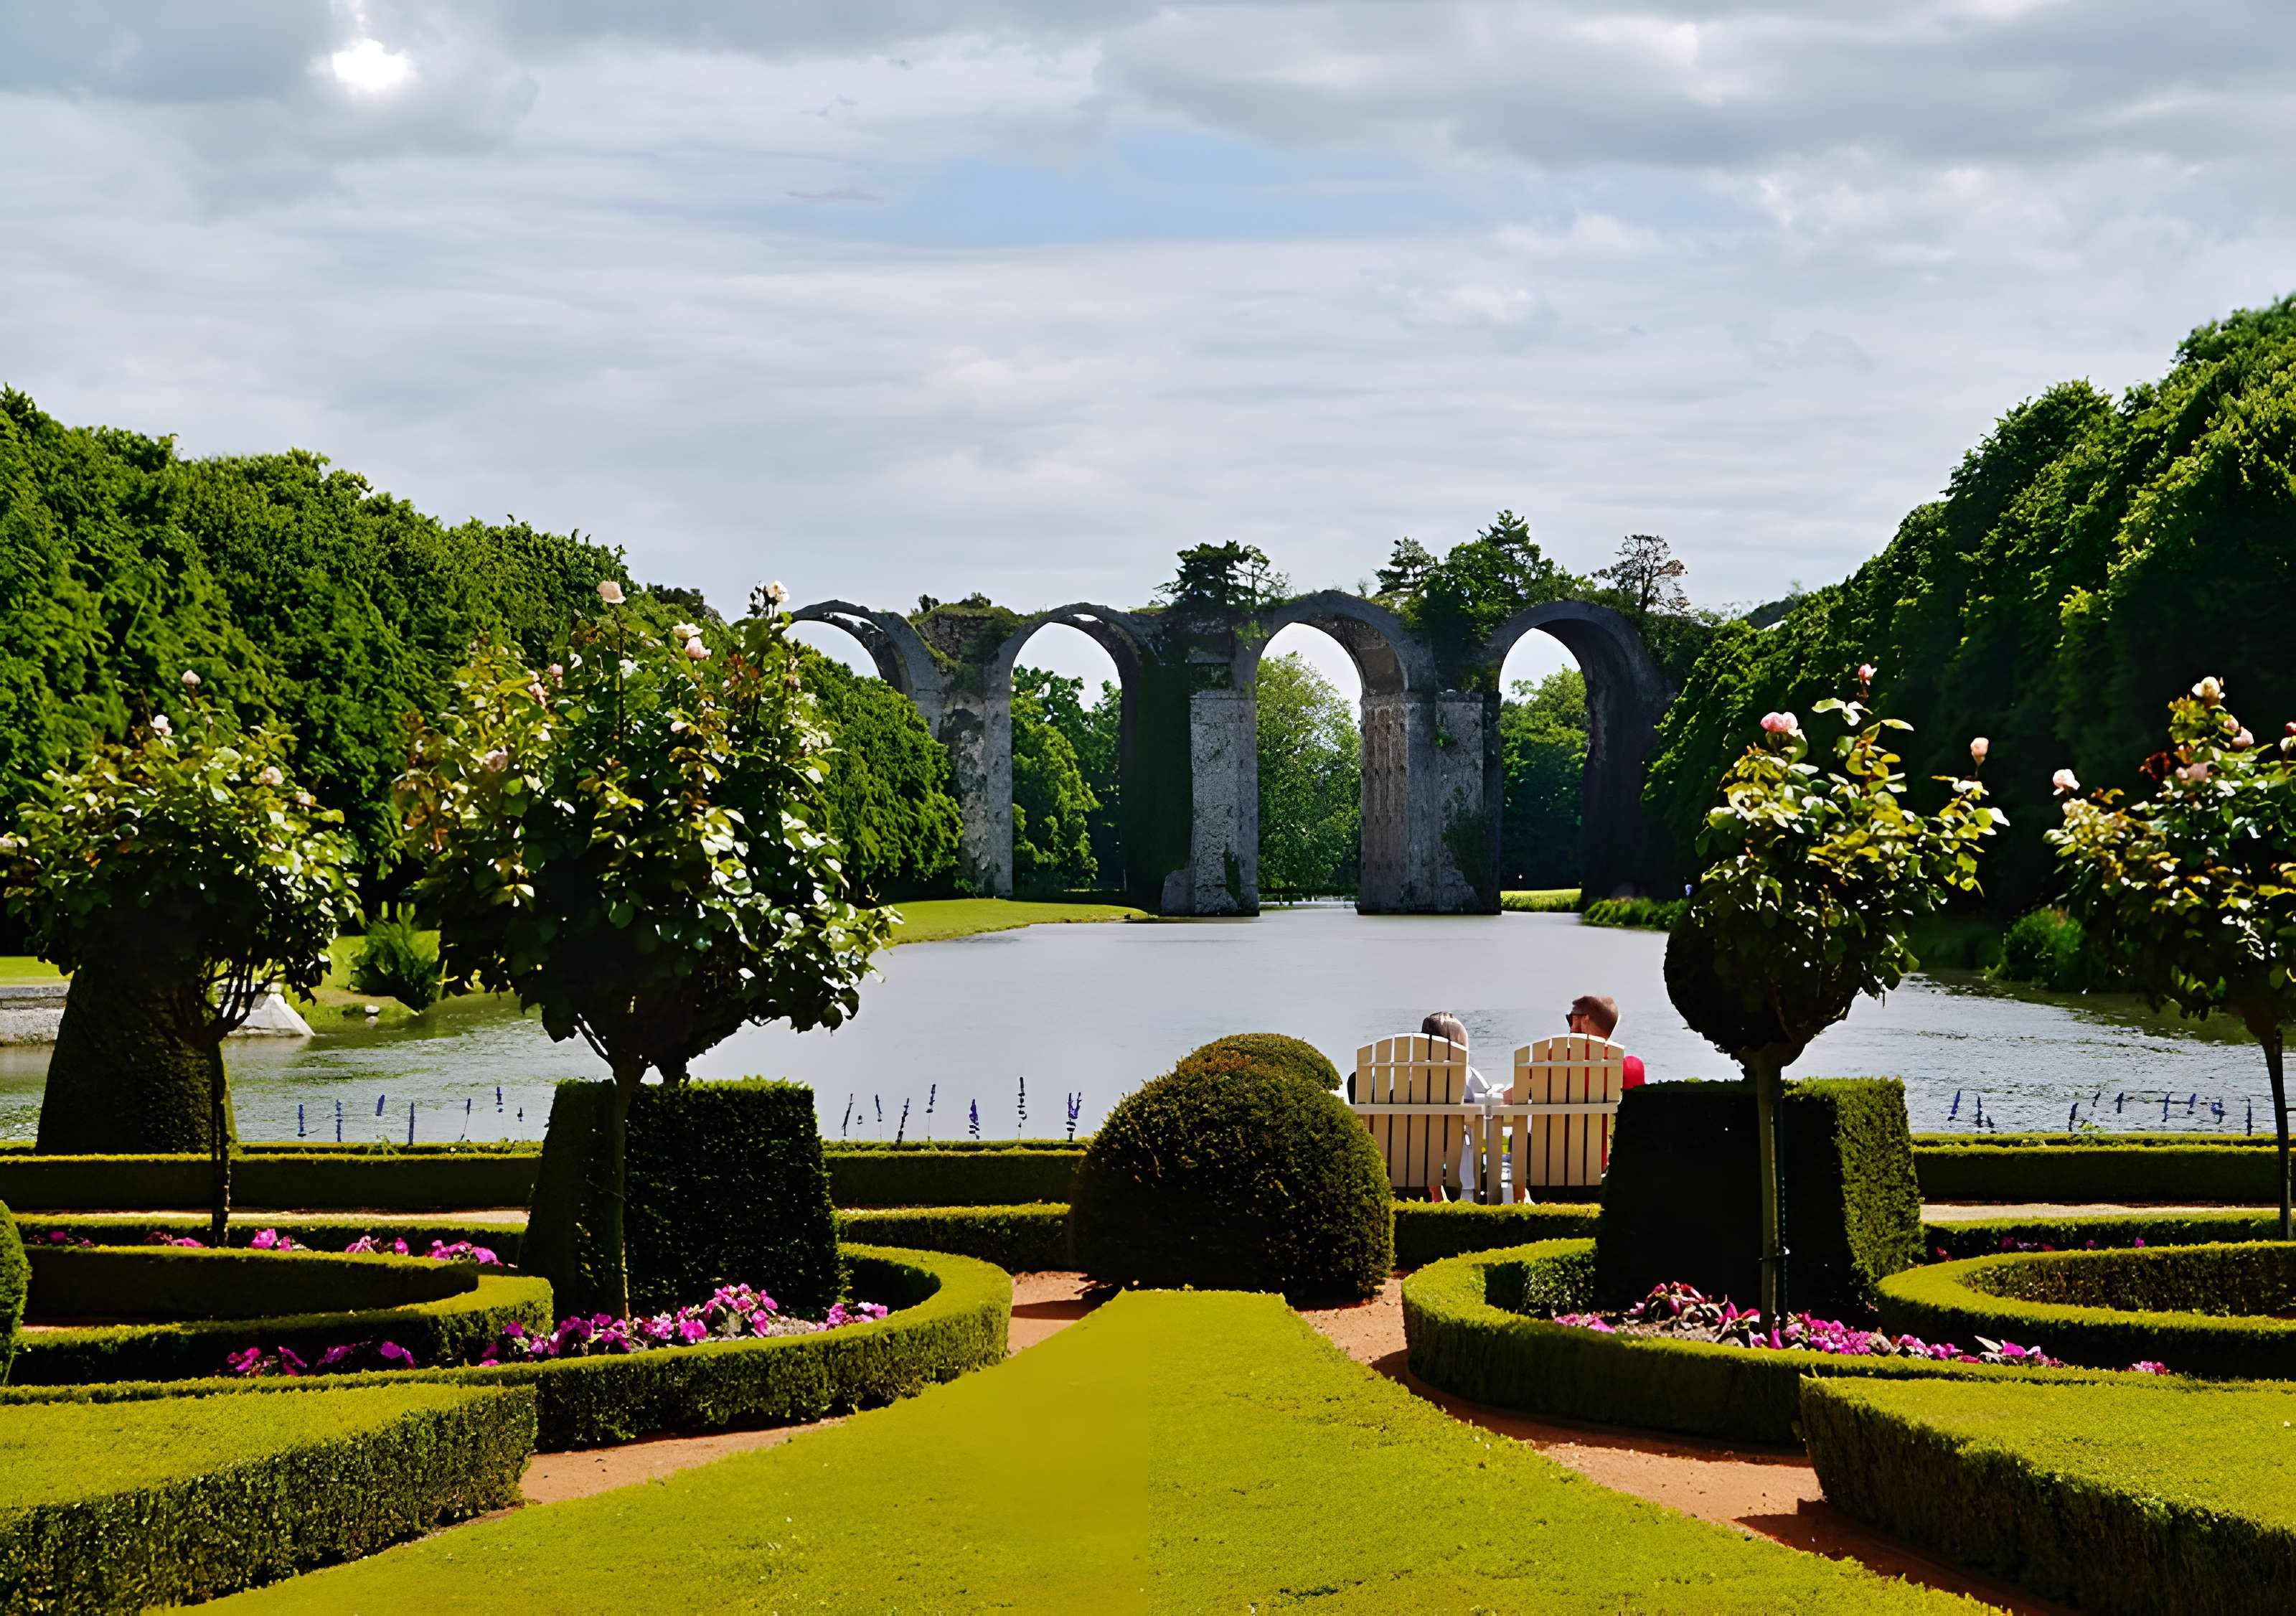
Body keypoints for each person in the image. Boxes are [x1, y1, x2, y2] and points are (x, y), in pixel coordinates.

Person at [1421, 1012, 1498, 1203]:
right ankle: (1464, 1195)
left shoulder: (1411, 1075)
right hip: (1455, 1146)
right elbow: (1488, 1101)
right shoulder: (1467, 1074)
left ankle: (1436, 1189)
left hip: (1416, 1146)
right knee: (1465, 1140)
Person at [1566, 995, 1645, 1087]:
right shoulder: (1632, 1067)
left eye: (1571, 1019)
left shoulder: (1552, 1062)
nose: (1570, 1028)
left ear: (1585, 1021)